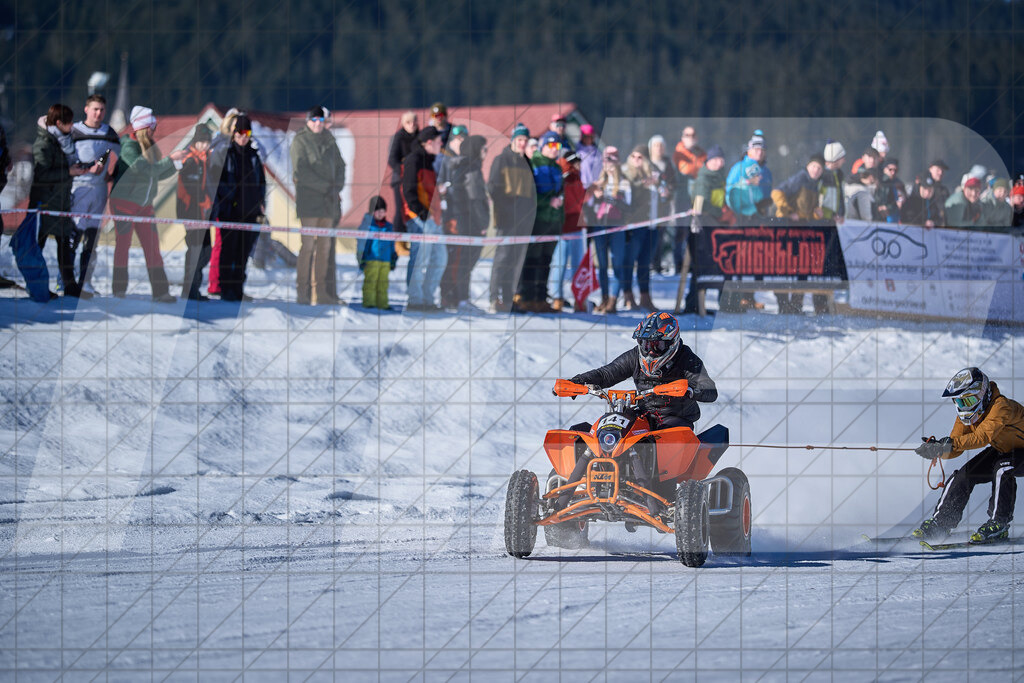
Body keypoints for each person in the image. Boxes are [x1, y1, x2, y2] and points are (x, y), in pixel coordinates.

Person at [562, 311, 718, 514]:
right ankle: (592, 483)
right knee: (601, 430)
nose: (650, 351)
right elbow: (607, 373)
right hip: (643, 414)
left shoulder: (686, 358)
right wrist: (577, 381)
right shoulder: (635, 356)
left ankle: (663, 497)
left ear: (672, 342)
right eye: (645, 344)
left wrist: (691, 389)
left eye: (657, 345)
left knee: (667, 440)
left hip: (674, 417)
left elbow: (709, 389)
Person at [912, 368, 1024, 543]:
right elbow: (956, 446)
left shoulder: (1001, 406)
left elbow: (981, 437)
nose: (964, 407)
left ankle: (999, 524)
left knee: (1002, 469)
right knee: (965, 474)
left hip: (1019, 451)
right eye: (959, 402)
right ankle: (941, 523)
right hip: (1004, 450)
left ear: (983, 394)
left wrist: (948, 445)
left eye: (969, 400)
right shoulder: (966, 416)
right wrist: (939, 449)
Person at [109, 105, 185, 302]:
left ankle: (161, 291)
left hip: (144, 204)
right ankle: (119, 290)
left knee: (152, 247)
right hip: (124, 202)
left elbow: (158, 173)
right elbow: (147, 170)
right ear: (143, 127)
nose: (155, 130)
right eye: (152, 126)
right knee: (123, 246)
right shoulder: (129, 148)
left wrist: (177, 163)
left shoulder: (150, 147)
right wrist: (170, 160)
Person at [31, 103, 102, 299]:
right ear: (59, 122)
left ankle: (70, 287)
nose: (72, 126)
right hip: (45, 203)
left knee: (64, 245)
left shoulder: (64, 142)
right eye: (69, 122)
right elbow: (42, 174)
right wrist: (68, 172)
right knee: (37, 246)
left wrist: (86, 167)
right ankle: (36, 286)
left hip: (61, 201)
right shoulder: (44, 143)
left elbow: (66, 167)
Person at [291, 105, 346, 305]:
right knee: (308, 247)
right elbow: (301, 172)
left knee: (324, 248)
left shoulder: (330, 141)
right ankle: (302, 292)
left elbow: (341, 166)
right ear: (307, 121)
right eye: (314, 120)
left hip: (328, 204)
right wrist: (325, 187)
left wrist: (336, 187)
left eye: (320, 120)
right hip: (309, 202)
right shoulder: (300, 141)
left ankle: (320, 293)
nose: (317, 124)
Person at [210, 113, 266, 302]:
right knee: (228, 252)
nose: (243, 137)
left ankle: (238, 288)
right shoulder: (226, 154)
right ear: (234, 133)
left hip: (250, 213)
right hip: (230, 212)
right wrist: (228, 197)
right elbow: (217, 180)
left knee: (243, 254)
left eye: (247, 132)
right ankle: (226, 289)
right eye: (240, 132)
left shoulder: (253, 156)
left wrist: (260, 203)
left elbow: (261, 182)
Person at [71, 94, 120, 294]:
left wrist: (112, 175)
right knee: (73, 237)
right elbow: (66, 158)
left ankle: (85, 281)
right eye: (95, 109)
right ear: (86, 109)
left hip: (99, 191)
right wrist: (86, 168)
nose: (98, 113)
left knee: (92, 239)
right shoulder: (74, 130)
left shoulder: (108, 132)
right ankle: (64, 279)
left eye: (101, 110)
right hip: (79, 188)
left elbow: (122, 155)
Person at [487, 123, 536, 313]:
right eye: (520, 140)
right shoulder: (501, 160)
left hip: (523, 222)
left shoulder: (527, 162)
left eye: (525, 140)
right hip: (506, 219)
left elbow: (532, 194)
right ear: (513, 140)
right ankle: (494, 298)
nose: (523, 143)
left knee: (516, 262)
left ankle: (509, 299)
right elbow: (492, 187)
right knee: (502, 259)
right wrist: (508, 207)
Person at [439, 132, 488, 312]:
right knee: (463, 262)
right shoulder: (472, 170)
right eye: (484, 148)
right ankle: (460, 299)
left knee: (459, 261)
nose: (486, 151)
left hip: (462, 221)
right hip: (468, 223)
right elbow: (475, 200)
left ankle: (456, 297)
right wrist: (483, 224)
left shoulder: (464, 166)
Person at [771, 155, 826, 314]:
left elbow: (808, 210)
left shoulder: (815, 185)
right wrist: (789, 211)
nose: (816, 170)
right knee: (784, 267)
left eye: (819, 168)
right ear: (808, 167)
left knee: (802, 267)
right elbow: (777, 192)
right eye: (813, 166)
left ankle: (796, 304)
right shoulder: (800, 179)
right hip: (787, 229)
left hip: (802, 230)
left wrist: (816, 214)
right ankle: (783, 304)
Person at [516, 130, 564, 313]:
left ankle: (540, 298)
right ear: (543, 146)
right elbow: (530, 194)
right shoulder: (534, 163)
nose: (554, 149)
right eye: (551, 145)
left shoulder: (557, 167)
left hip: (553, 221)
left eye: (557, 146)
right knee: (532, 259)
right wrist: (548, 201)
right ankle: (525, 296)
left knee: (546, 260)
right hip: (537, 219)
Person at [402, 125, 447, 312]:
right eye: (438, 141)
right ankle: (415, 300)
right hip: (420, 219)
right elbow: (409, 191)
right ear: (429, 143)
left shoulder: (430, 162)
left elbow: (429, 191)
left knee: (440, 259)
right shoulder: (414, 160)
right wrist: (422, 214)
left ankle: (428, 299)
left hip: (434, 220)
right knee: (420, 259)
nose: (441, 144)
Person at [587, 146, 631, 314]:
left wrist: (609, 198)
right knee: (602, 265)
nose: (609, 163)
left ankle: (613, 299)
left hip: (617, 225)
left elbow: (628, 207)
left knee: (617, 263)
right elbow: (589, 206)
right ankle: (604, 298)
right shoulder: (598, 183)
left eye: (612, 160)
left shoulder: (624, 182)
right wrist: (594, 195)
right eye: (606, 160)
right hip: (600, 225)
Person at [177, 125, 214, 300]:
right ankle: (189, 290)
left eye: (207, 142)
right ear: (195, 141)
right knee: (195, 251)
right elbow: (190, 186)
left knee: (205, 250)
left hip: (202, 213)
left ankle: (194, 288)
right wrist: (204, 200)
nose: (204, 146)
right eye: (201, 142)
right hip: (190, 211)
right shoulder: (190, 159)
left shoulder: (204, 159)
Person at [548, 151, 585, 312]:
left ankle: (579, 298)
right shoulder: (565, 177)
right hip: (564, 228)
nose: (578, 164)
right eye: (575, 161)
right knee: (560, 264)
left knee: (578, 265)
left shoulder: (578, 178)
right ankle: (557, 297)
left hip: (577, 227)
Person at [620, 144, 656, 311]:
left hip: (651, 224)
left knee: (644, 262)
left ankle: (645, 295)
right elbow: (629, 195)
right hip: (634, 225)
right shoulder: (626, 173)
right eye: (633, 156)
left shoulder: (652, 174)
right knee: (629, 260)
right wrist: (644, 184)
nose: (636, 160)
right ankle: (627, 294)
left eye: (640, 157)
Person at [357, 195, 397, 310]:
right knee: (371, 281)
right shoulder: (367, 226)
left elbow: (391, 243)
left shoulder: (389, 227)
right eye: (377, 211)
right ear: (372, 212)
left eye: (382, 211)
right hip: (371, 259)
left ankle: (382, 304)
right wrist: (361, 257)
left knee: (383, 283)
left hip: (385, 259)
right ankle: (369, 303)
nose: (380, 213)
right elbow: (361, 243)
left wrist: (393, 257)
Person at [647, 134, 678, 274]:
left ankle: (657, 263)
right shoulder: (646, 163)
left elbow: (674, 183)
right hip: (648, 206)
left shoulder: (668, 164)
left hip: (663, 206)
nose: (658, 149)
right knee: (648, 236)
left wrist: (668, 190)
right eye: (656, 146)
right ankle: (647, 262)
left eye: (661, 146)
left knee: (660, 236)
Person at [387, 111, 418, 234]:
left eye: (414, 122)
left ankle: (414, 238)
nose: (412, 125)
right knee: (401, 209)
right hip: (400, 179)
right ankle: (398, 241)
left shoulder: (420, 137)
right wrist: (403, 170)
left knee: (415, 209)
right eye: (408, 122)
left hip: (417, 180)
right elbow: (392, 159)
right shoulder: (398, 137)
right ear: (403, 124)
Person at [819, 141, 846, 222]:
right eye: (842, 158)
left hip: (834, 220)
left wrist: (841, 214)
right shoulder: (821, 175)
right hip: (822, 220)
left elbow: (840, 197)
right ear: (836, 158)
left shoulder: (839, 175)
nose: (844, 161)